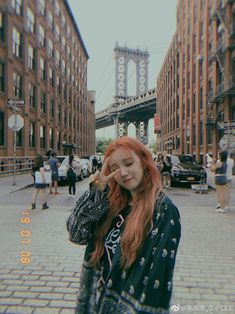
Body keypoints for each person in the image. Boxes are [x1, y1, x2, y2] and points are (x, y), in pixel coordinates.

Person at [66, 136, 181, 314]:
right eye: (115, 168)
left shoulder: (163, 211)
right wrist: (96, 193)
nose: (124, 173)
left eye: (128, 164)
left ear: (144, 162)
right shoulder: (110, 203)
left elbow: (154, 282)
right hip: (96, 304)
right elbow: (76, 234)